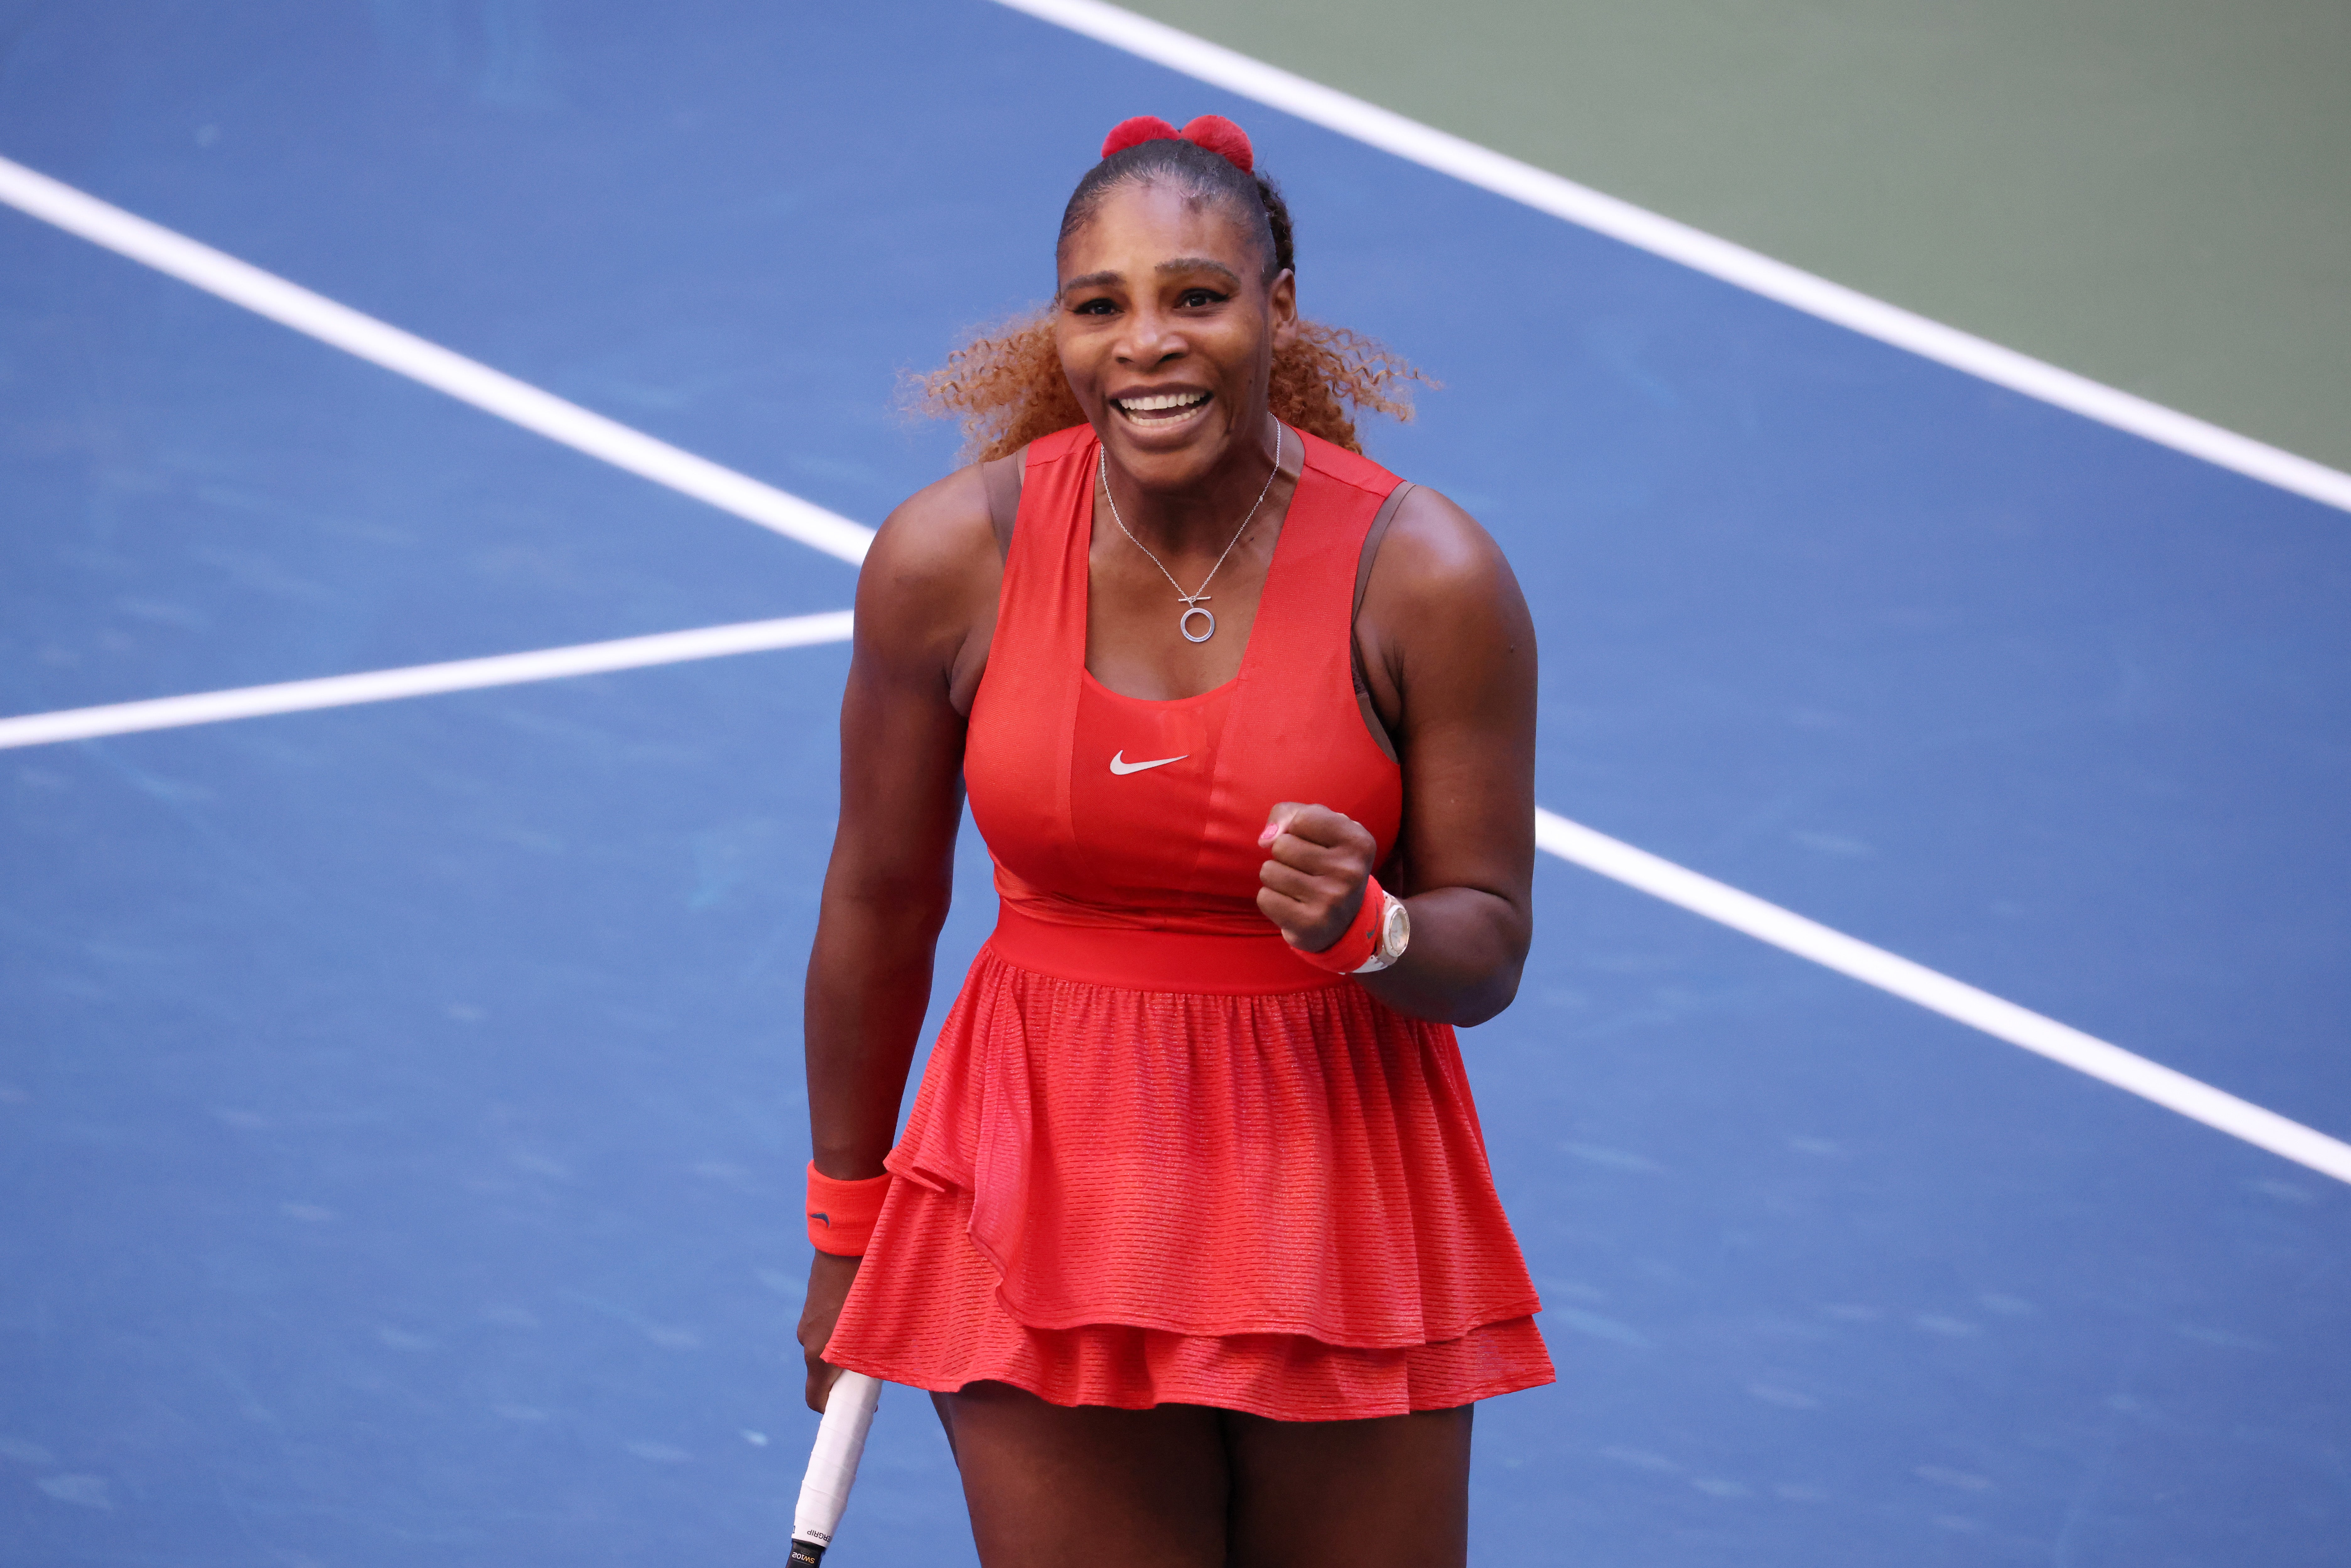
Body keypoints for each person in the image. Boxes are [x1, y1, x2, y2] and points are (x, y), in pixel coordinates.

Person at [797, 113, 1550, 1568]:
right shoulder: (945, 559)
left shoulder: (1432, 577)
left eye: (1195, 297)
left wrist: (1375, 929)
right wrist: (846, 1229)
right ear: (1062, 330)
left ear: (1277, 309)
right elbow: (880, 906)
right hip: (1041, 1180)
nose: (1145, 341)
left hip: (1337, 1185)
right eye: (1102, 307)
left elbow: (1489, 936)